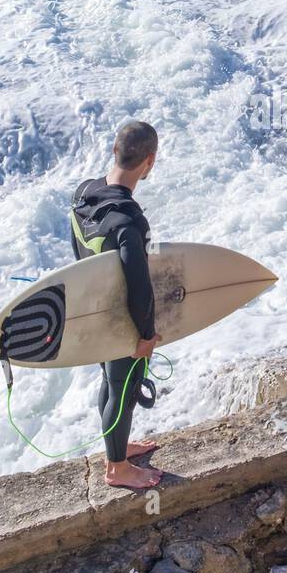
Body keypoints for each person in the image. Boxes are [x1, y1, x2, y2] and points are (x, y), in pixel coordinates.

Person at [71, 121, 161, 490]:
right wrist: (145, 335)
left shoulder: (84, 194)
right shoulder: (129, 223)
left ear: (114, 149)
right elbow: (139, 288)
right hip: (123, 319)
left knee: (110, 383)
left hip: (95, 308)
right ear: (149, 162)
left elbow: (77, 254)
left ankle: (117, 448)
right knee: (123, 387)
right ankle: (117, 468)